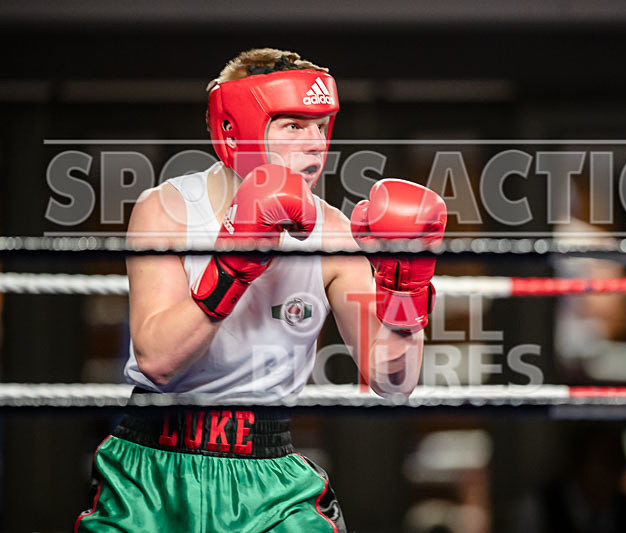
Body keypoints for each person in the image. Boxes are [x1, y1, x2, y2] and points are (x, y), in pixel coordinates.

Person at [74, 48, 447, 532]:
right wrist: (236, 259)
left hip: (269, 474)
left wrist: (405, 286)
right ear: (237, 128)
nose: (315, 144)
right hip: (151, 468)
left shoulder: (333, 234)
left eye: (320, 126)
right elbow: (157, 361)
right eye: (293, 126)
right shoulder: (167, 210)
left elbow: (393, 381)